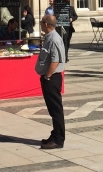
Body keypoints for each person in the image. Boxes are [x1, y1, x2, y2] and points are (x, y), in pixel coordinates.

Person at [36, 14, 65, 149]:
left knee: (56, 109)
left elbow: (55, 60)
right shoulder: (49, 37)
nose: (41, 24)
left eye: (42, 22)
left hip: (52, 77)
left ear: (46, 24)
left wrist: (47, 76)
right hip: (49, 77)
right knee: (52, 109)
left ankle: (58, 139)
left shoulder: (54, 39)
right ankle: (55, 134)